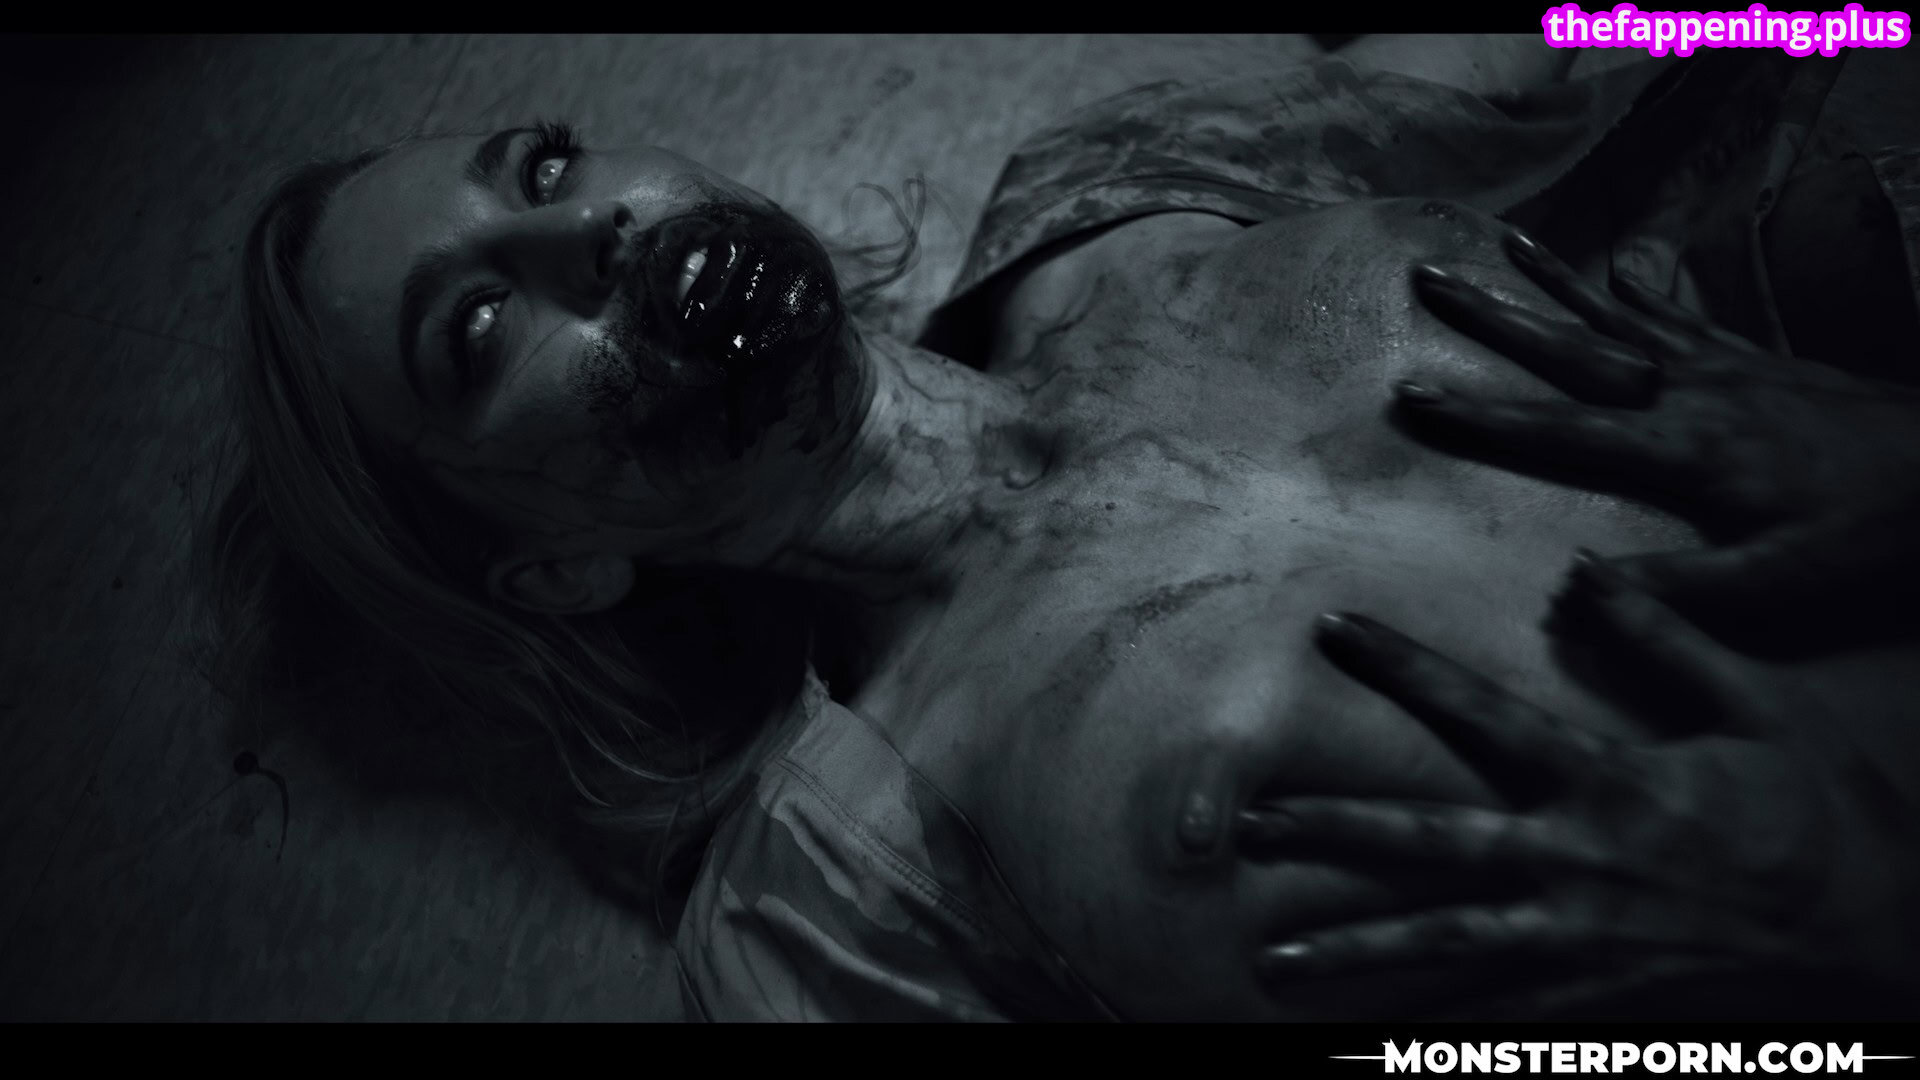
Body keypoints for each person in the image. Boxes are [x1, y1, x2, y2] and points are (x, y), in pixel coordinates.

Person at [203, 36, 1920, 1020]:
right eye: (478, 331)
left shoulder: (1118, 188)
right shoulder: (820, 916)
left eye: (545, 166)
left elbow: (1602, 34)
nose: (584, 232)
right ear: (560, 570)